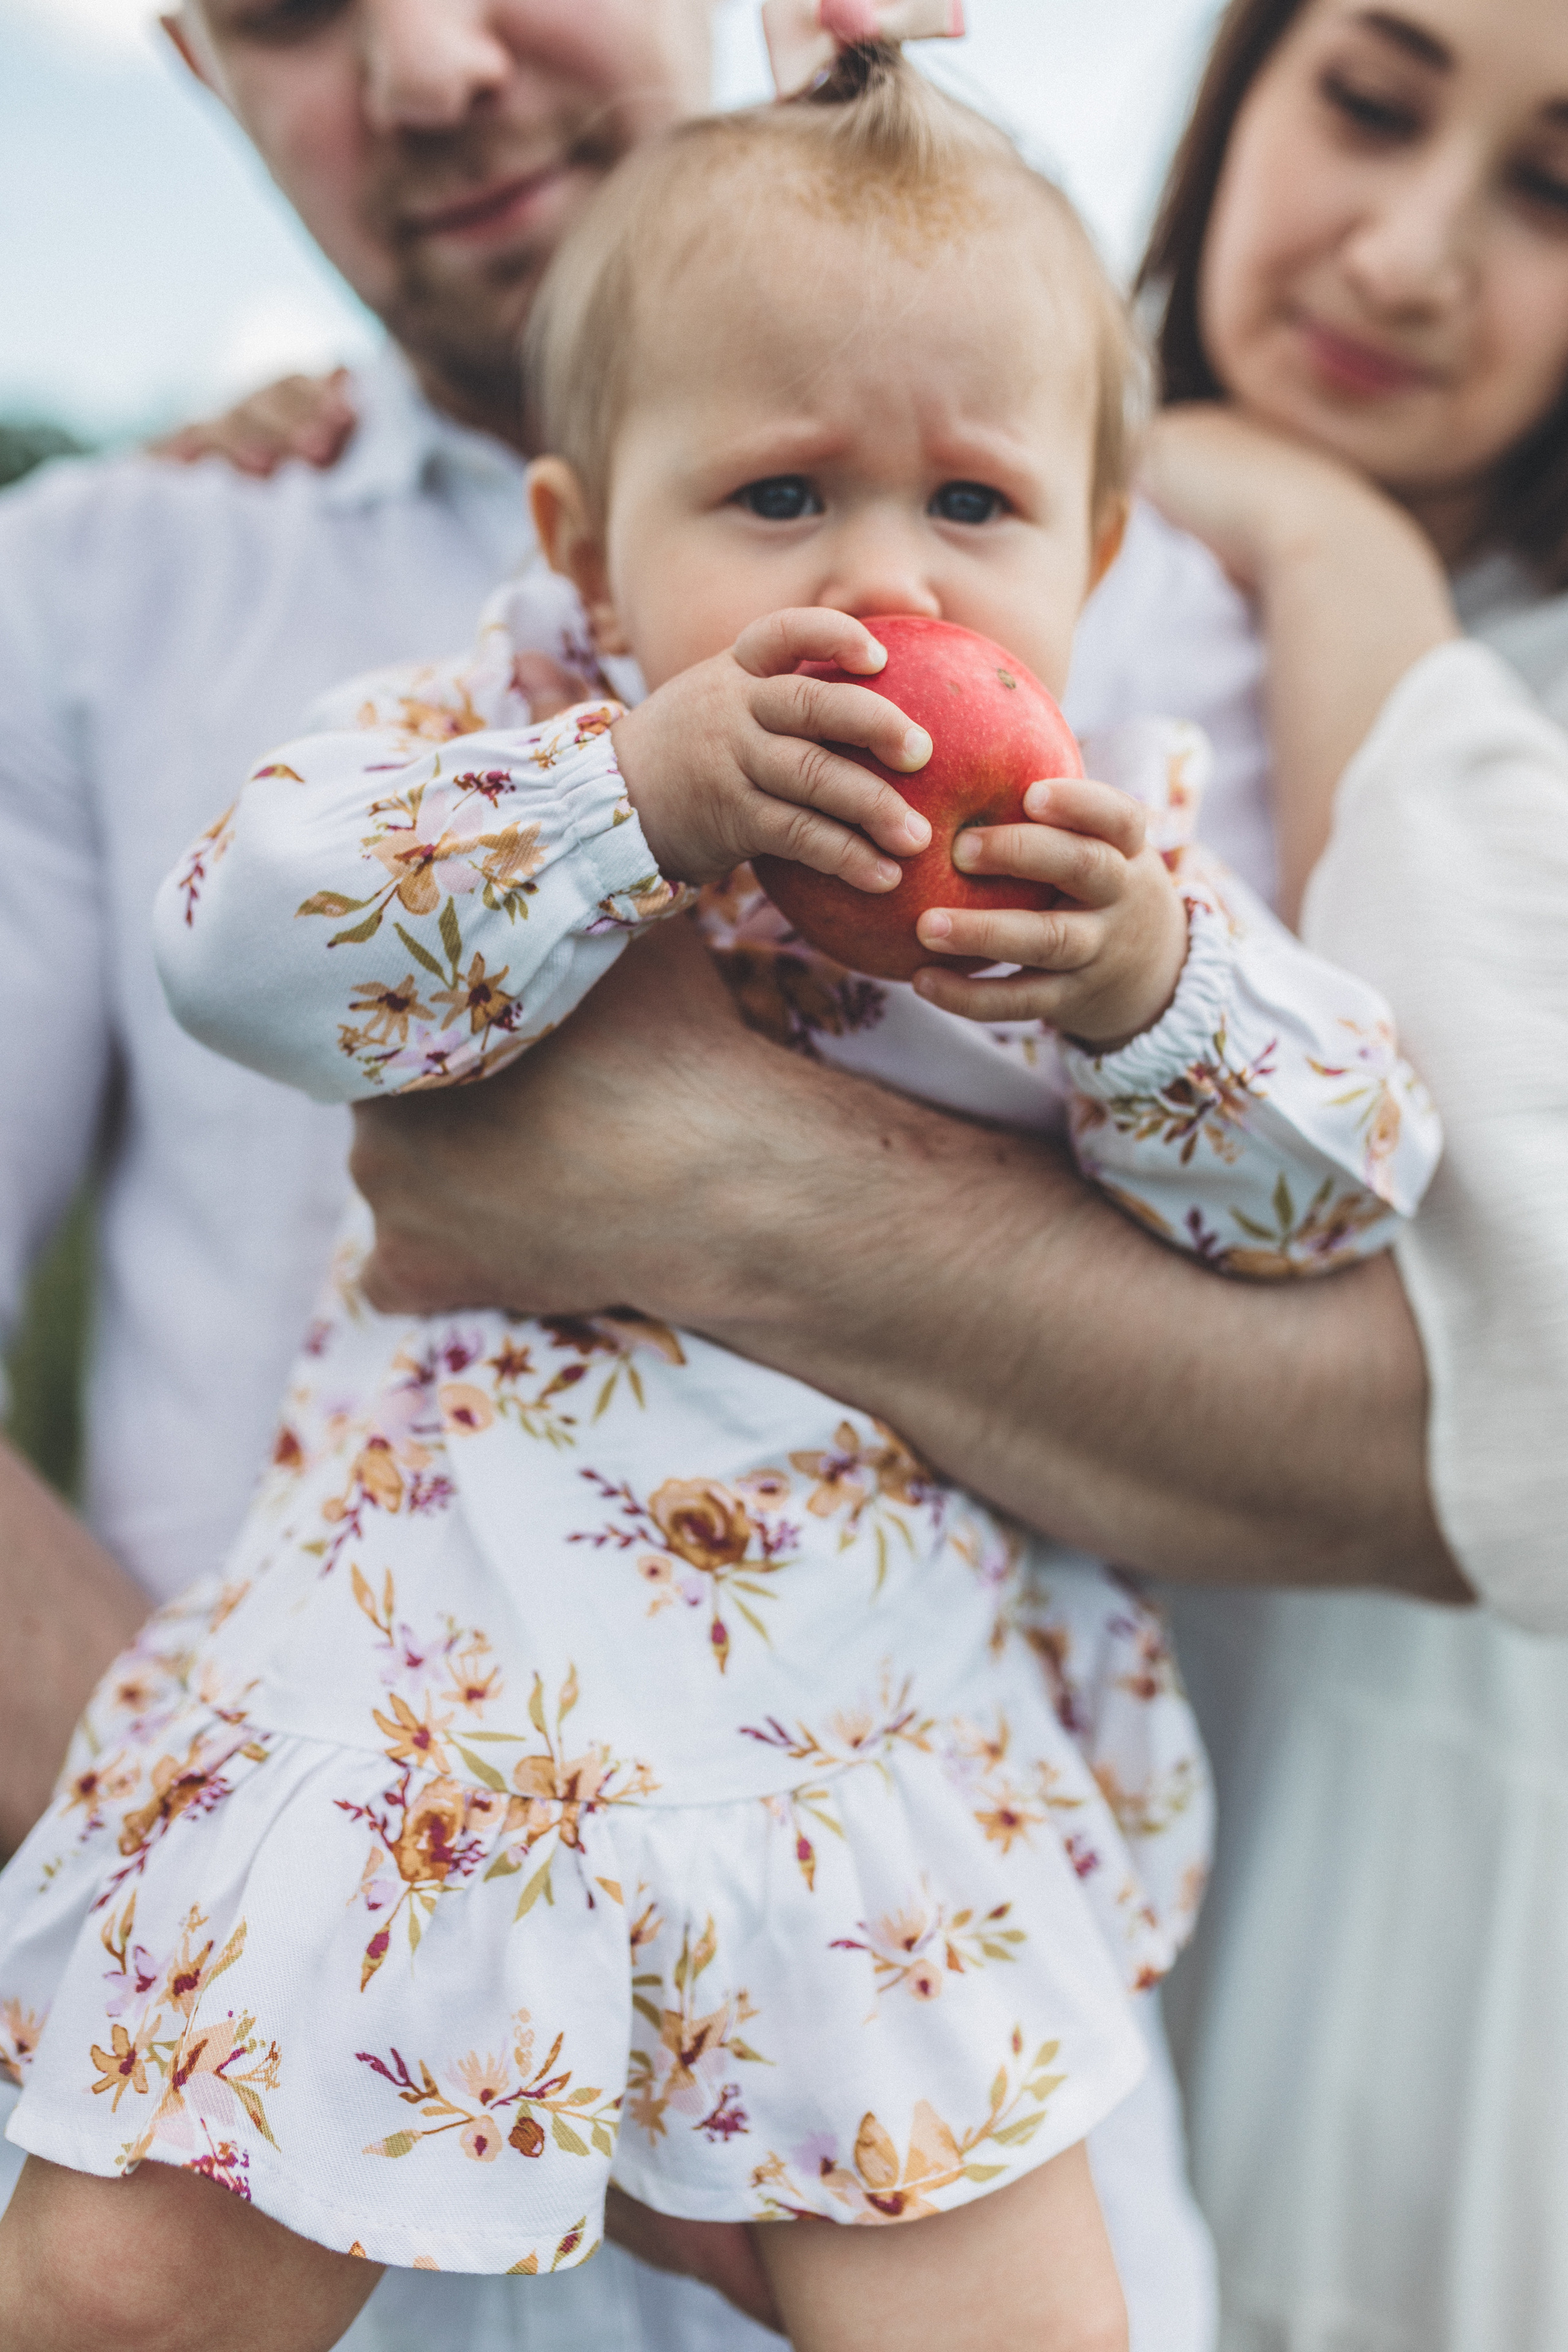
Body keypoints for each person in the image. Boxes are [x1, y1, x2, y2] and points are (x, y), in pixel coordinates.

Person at [0, 44, 1445, 2352]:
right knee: (116, 2287)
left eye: (971, 504)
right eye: (777, 496)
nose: (883, 579)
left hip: (868, 1763)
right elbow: (241, 943)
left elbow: (1338, 1196)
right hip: (438, 1710)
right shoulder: (492, 730)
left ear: (1091, 557)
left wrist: (1146, 996)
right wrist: (627, 803)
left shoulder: (1110, 852)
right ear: (583, 545)